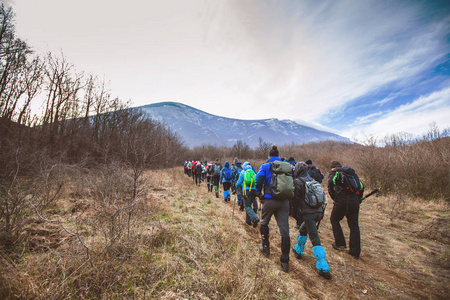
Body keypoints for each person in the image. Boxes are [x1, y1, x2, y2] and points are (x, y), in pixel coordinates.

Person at [292, 162, 332, 279]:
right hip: (318, 212)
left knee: (314, 238)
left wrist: (294, 213)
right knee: (303, 229)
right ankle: (298, 250)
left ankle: (323, 266)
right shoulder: (313, 180)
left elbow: (295, 200)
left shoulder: (298, 182)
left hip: (308, 214)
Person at [255, 145, 291, 273]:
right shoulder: (286, 166)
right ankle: (285, 260)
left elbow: (258, 181)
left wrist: (259, 194)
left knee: (264, 222)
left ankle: (265, 247)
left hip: (269, 200)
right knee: (285, 230)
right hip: (284, 202)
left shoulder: (265, 166)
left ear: (269, 156)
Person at [327, 160, 362, 259]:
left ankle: (340, 243)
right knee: (354, 226)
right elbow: (361, 186)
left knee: (334, 219)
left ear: (333, 168)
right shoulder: (351, 173)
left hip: (342, 201)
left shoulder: (335, 174)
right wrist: (358, 199)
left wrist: (336, 198)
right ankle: (355, 252)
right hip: (354, 201)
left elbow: (330, 185)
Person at [235, 162, 259, 227]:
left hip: (246, 191)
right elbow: (257, 181)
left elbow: (239, 182)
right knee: (249, 205)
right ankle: (248, 221)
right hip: (253, 191)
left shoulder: (243, 172)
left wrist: (236, 186)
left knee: (247, 206)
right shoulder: (253, 173)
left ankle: (254, 218)